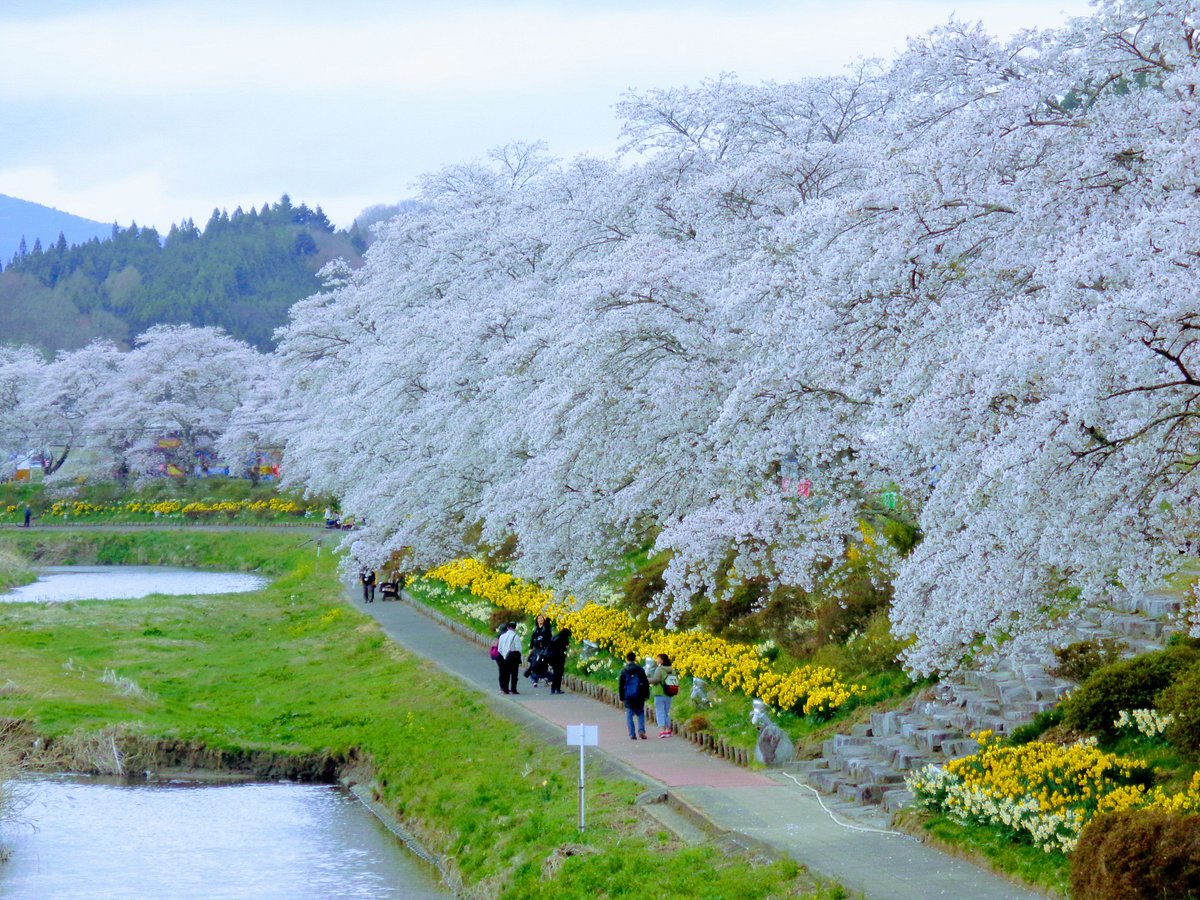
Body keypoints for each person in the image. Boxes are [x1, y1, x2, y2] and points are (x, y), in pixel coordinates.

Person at [618, 652, 650, 740]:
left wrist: (621, 697)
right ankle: (641, 731)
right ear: (635, 659)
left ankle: (632, 734)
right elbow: (645, 683)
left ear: (626, 659)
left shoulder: (624, 671)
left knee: (629, 714)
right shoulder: (640, 670)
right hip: (639, 695)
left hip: (628, 696)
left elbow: (621, 685)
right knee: (640, 713)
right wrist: (646, 695)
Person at [647, 653, 677, 738]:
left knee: (660, 712)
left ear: (662, 660)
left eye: (658, 658)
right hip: (669, 693)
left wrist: (646, 680)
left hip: (660, 693)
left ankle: (662, 730)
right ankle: (668, 730)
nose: (656, 660)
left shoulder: (660, 669)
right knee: (666, 712)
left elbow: (656, 680)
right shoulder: (672, 669)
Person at [525, 614, 553, 687]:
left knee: (542, 664)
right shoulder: (535, 629)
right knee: (534, 663)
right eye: (538, 619)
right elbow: (532, 639)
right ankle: (535, 679)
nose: (540, 620)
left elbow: (549, 639)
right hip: (536, 649)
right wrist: (531, 648)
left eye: (541, 619)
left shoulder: (546, 629)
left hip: (544, 649)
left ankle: (546, 678)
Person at [497, 621, 522, 695]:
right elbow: (518, 648)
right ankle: (513, 689)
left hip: (505, 657)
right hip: (513, 657)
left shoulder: (502, 636)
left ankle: (505, 689)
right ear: (515, 628)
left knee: (505, 674)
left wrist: (504, 655)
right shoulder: (515, 636)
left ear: (508, 627)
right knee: (514, 674)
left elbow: (499, 649)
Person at [546, 626, 571, 694]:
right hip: (559, 659)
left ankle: (553, 689)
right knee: (558, 674)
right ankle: (557, 688)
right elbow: (565, 647)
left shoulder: (555, 638)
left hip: (552, 658)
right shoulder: (563, 639)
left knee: (555, 673)